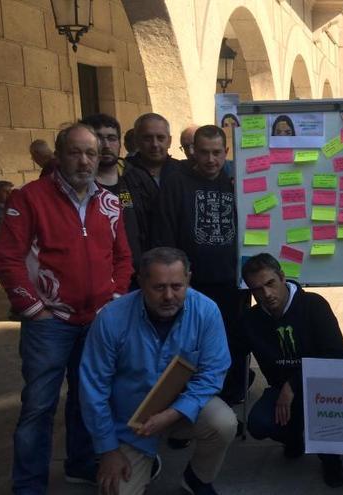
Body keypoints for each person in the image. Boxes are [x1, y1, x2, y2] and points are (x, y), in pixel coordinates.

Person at [0, 124, 133, 492]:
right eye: (75, 152)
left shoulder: (109, 201)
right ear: (59, 155)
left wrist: (115, 302)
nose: (85, 160)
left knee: (87, 398)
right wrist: (34, 308)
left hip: (97, 321)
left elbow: (122, 258)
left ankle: (80, 463)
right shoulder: (29, 198)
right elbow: (6, 259)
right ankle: (28, 484)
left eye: (91, 153)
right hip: (49, 322)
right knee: (39, 407)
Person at [79, 247, 237, 495]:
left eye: (177, 286)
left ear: (188, 279)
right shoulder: (111, 318)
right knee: (115, 491)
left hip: (183, 412)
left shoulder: (206, 311)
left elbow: (213, 372)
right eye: (159, 287)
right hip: (130, 426)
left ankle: (197, 478)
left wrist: (173, 413)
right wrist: (107, 450)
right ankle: (146, 462)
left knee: (223, 422)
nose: (169, 296)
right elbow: (93, 389)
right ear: (141, 282)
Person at [151, 125, 249, 405]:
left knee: (231, 344)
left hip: (233, 284)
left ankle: (229, 403)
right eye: (203, 152)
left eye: (217, 153)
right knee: (187, 349)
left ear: (226, 152)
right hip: (191, 286)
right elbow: (165, 234)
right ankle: (183, 411)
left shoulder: (238, 182)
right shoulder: (176, 183)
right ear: (193, 151)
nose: (210, 160)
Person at [240, 253, 343, 488]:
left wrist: (293, 385)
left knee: (323, 417)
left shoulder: (314, 305)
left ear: (281, 276)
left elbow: (335, 355)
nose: (266, 295)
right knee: (258, 424)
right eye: (257, 289)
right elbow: (230, 354)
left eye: (270, 284)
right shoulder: (250, 319)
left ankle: (330, 459)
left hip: (321, 388)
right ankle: (293, 436)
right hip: (280, 391)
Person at [80, 113, 157, 279]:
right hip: (94, 278)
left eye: (112, 138)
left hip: (137, 276)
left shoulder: (138, 178)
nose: (106, 145)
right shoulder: (77, 185)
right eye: (99, 138)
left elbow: (156, 226)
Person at [126, 113, 181, 185]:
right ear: (136, 141)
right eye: (147, 138)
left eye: (160, 138)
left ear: (169, 141)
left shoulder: (184, 172)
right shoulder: (123, 172)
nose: (155, 144)